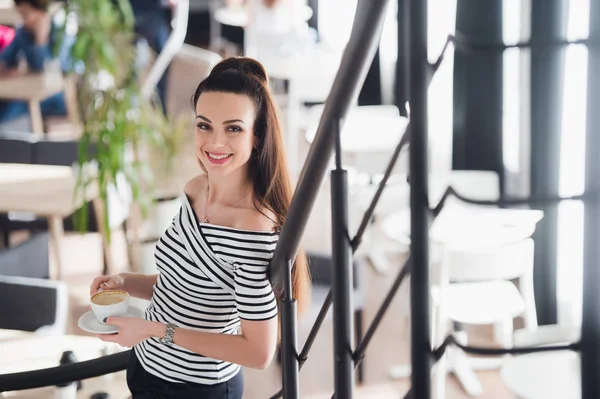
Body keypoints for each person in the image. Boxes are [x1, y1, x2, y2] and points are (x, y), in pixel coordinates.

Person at [89, 57, 311, 398]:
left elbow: (259, 352)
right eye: (204, 125)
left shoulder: (252, 229)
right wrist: (125, 282)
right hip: (146, 369)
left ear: (256, 136)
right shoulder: (196, 189)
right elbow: (184, 287)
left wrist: (154, 330)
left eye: (233, 128)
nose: (215, 142)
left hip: (196, 388)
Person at [0, 0, 72, 125]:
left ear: (41, 13)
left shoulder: (59, 32)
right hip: (29, 90)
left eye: (27, 15)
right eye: (21, 15)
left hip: (55, 95)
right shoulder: (23, 31)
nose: (24, 20)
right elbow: (6, 58)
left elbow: (45, 68)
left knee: (13, 108)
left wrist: (41, 40)